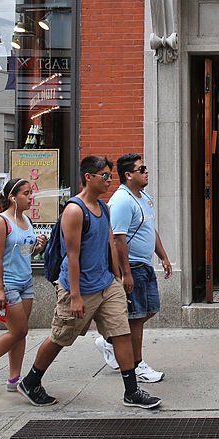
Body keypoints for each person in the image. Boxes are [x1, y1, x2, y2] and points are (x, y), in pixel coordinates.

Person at [17, 155, 160, 409]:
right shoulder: (74, 210)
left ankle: (132, 391)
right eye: (104, 176)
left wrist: (118, 276)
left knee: (121, 332)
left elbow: (110, 245)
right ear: (88, 178)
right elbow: (72, 256)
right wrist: (74, 296)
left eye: (110, 176)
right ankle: (31, 381)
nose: (108, 180)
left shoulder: (103, 208)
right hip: (79, 287)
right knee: (60, 337)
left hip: (106, 284)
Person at [94, 154, 171, 383]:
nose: (146, 171)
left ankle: (111, 343)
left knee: (149, 310)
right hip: (133, 266)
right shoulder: (121, 201)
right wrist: (125, 273)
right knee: (136, 317)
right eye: (142, 168)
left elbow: (150, 229)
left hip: (144, 264)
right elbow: (118, 239)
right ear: (129, 175)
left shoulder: (144, 197)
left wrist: (163, 256)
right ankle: (136, 364)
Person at [0, 178, 47, 393]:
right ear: (13, 197)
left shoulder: (26, 221)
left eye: (31, 193)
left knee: (20, 332)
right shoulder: (1, 222)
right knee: (18, 330)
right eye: (26, 194)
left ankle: (14, 378)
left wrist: (38, 248)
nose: (30, 198)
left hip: (25, 281)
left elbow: (25, 253)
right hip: (6, 284)